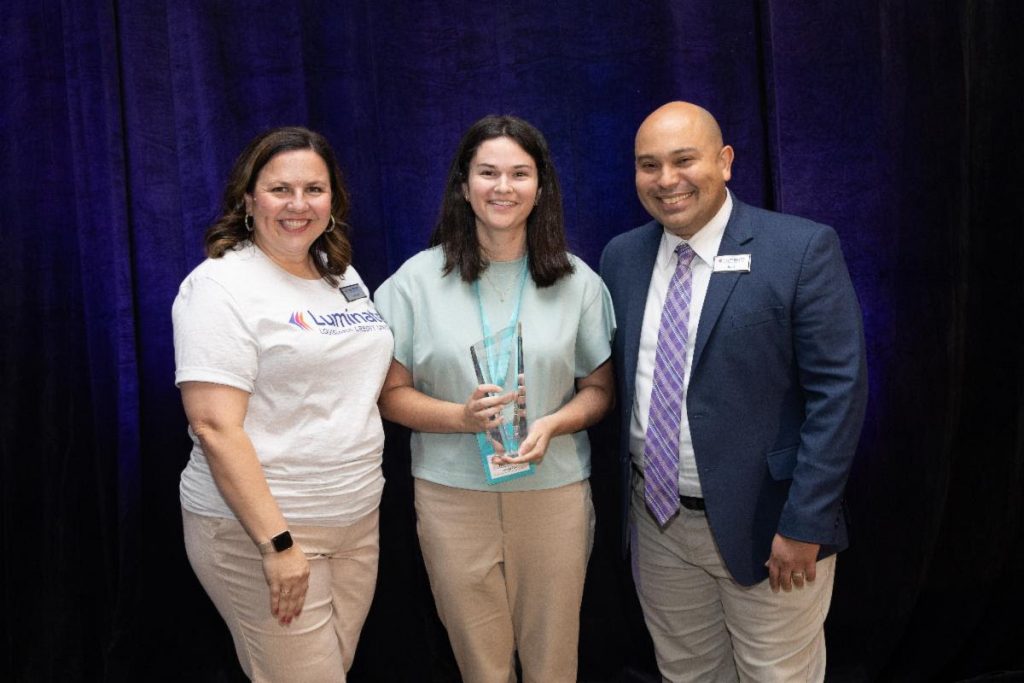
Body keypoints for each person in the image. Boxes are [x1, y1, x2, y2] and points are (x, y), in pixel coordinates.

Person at [600, 102, 868, 682]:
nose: (666, 180)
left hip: (772, 529)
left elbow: (839, 395)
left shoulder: (799, 250)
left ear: (724, 162)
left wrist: (806, 524)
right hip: (659, 526)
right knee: (686, 674)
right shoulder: (620, 258)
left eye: (683, 160)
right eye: (649, 165)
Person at [374, 115, 615, 683]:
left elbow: (600, 391)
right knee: (479, 665)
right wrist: (460, 417)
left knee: (554, 660)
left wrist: (554, 423)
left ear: (541, 187)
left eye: (519, 174)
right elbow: (389, 395)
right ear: (464, 185)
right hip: (452, 496)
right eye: (487, 173)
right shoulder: (416, 280)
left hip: (552, 493)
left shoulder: (577, 281)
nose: (503, 188)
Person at [172, 126, 393, 681]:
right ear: (248, 199)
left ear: (334, 201)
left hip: (355, 517)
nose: (299, 205)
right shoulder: (220, 286)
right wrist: (278, 545)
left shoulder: (339, 274)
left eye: (315, 190)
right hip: (266, 528)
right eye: (280, 190)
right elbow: (214, 426)